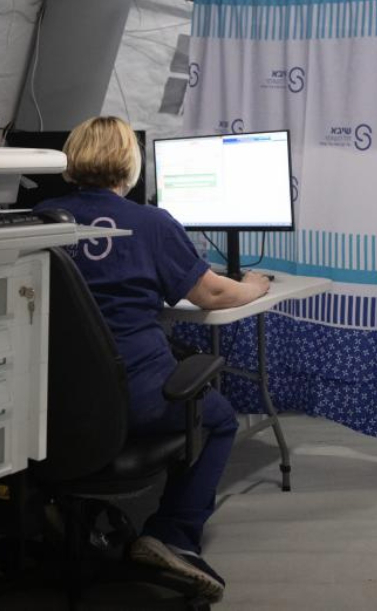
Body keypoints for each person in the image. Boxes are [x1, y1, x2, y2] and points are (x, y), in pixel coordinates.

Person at [36, 116, 270, 602]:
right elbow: (212, 295)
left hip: (48, 400)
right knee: (220, 418)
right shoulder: (151, 223)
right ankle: (172, 537)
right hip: (134, 400)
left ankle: (52, 516)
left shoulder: (40, 219)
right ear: (131, 164)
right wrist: (253, 285)